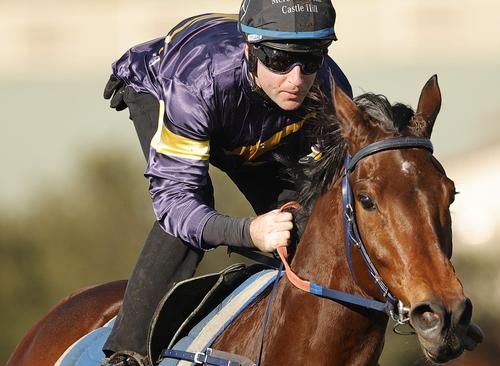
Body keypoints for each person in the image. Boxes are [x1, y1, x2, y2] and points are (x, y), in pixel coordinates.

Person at [101, 0, 351, 365]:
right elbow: (176, 206)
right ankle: (128, 351)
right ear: (251, 50)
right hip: (166, 88)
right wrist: (249, 232)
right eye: (279, 61)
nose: (296, 79)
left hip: (247, 107)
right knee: (193, 205)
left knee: (305, 217)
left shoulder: (327, 89)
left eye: (310, 61)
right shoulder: (195, 85)